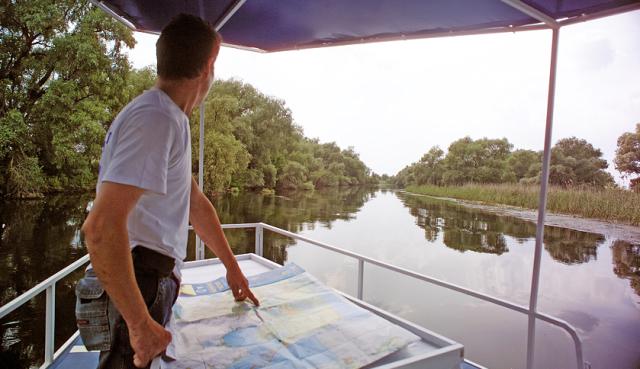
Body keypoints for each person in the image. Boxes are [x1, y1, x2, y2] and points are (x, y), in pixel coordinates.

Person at [78, 13, 259, 369]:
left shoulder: (168, 118)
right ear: (209, 65)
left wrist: (232, 267)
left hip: (149, 280)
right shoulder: (156, 119)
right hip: (139, 282)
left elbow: (194, 204)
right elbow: (99, 228)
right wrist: (140, 324)